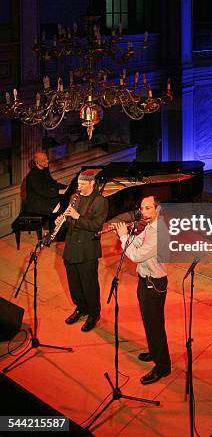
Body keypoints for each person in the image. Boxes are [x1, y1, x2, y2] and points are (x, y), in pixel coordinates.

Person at [115, 195, 171, 385]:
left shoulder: (159, 232)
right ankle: (154, 352)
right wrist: (129, 235)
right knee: (149, 322)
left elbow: (136, 255)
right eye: (142, 208)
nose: (143, 212)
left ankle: (163, 366)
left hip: (154, 284)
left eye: (148, 208)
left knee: (156, 325)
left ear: (158, 209)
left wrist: (123, 236)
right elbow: (137, 242)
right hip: (145, 280)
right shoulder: (150, 226)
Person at [56, 169, 108, 332]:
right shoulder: (75, 197)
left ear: (92, 183)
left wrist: (78, 217)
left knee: (89, 285)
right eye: (78, 183)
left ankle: (94, 313)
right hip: (71, 248)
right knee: (74, 283)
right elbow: (69, 219)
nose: (79, 187)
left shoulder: (100, 202)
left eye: (82, 184)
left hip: (87, 250)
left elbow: (96, 226)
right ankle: (81, 308)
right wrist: (62, 220)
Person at [23, 152, 66, 216]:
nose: (47, 161)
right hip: (36, 201)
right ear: (37, 162)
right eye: (44, 161)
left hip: (44, 196)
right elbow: (41, 191)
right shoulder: (33, 175)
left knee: (64, 200)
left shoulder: (45, 168)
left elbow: (51, 182)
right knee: (57, 208)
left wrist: (65, 187)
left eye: (47, 159)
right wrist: (58, 192)